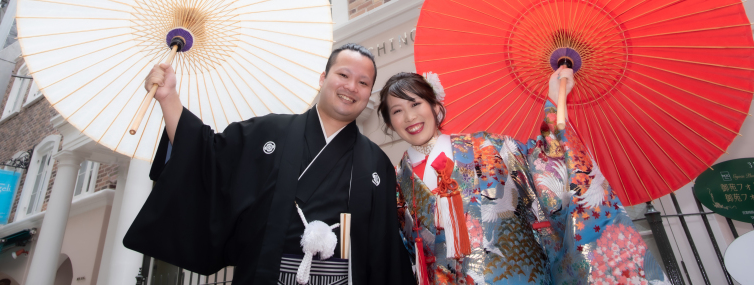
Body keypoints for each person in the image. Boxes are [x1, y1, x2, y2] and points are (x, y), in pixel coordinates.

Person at [124, 43, 415, 285]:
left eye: (363, 83)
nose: (352, 87)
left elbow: (385, 251)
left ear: (368, 93)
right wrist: (168, 98)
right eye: (343, 75)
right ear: (323, 77)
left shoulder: (376, 161)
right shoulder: (268, 132)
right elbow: (206, 159)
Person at [379, 69, 668, 285]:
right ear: (390, 123)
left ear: (435, 106)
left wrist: (555, 100)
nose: (409, 117)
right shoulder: (397, 182)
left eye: (416, 104)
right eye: (397, 111)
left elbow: (546, 166)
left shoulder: (488, 147)